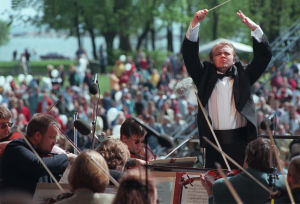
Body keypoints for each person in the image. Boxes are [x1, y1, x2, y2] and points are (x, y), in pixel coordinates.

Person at [181, 9, 272, 168]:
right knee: (216, 187)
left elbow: (263, 57)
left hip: (241, 143)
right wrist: (195, 23)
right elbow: (189, 55)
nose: (223, 56)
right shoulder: (203, 76)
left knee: (239, 186)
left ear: (234, 58)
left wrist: (254, 29)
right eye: (218, 54)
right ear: (212, 59)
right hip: (213, 144)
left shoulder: (244, 74)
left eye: (227, 53)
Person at [0, 113, 76, 195]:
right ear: (37, 135)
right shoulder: (16, 147)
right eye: (52, 137)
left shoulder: (42, 153)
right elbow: (37, 166)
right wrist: (67, 157)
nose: (55, 142)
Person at [200, 138, 285, 204]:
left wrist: (211, 193)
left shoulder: (220, 186)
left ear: (246, 159)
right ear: (274, 165)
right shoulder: (283, 185)